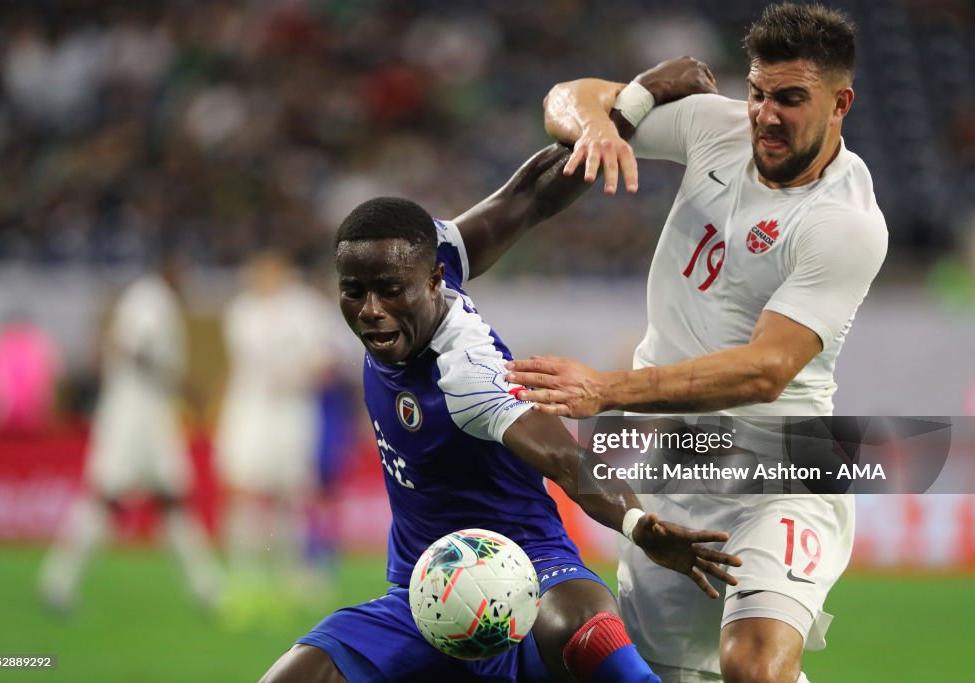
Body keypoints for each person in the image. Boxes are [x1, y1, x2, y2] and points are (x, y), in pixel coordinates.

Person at [260, 58, 741, 683]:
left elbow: (567, 461)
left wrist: (639, 526)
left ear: (432, 279)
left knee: (581, 629)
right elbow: (532, 194)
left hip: (533, 570)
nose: (371, 311)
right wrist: (638, 98)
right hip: (419, 590)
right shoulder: (424, 257)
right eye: (353, 292)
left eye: (389, 291)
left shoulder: (468, 371)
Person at [506, 4, 888, 683]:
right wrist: (610, 118)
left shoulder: (843, 224)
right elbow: (565, 99)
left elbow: (766, 369)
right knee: (675, 674)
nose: (766, 115)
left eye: (791, 99)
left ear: (841, 103)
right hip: (679, 460)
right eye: (758, 93)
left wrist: (605, 388)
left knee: (754, 663)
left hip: (782, 467)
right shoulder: (717, 128)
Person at [39, 257, 221, 612]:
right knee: (110, 498)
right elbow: (133, 348)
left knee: (170, 500)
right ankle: (57, 582)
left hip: (147, 413)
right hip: (134, 414)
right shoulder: (149, 299)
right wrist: (181, 383)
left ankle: (207, 588)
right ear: (170, 269)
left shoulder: (148, 299)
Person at [215, 249, 338, 618]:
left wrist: (298, 375)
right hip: (250, 413)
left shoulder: (306, 309)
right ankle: (244, 577)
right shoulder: (240, 312)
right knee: (245, 493)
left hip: (292, 414)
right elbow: (241, 363)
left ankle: (298, 576)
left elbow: (327, 361)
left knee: (293, 495)